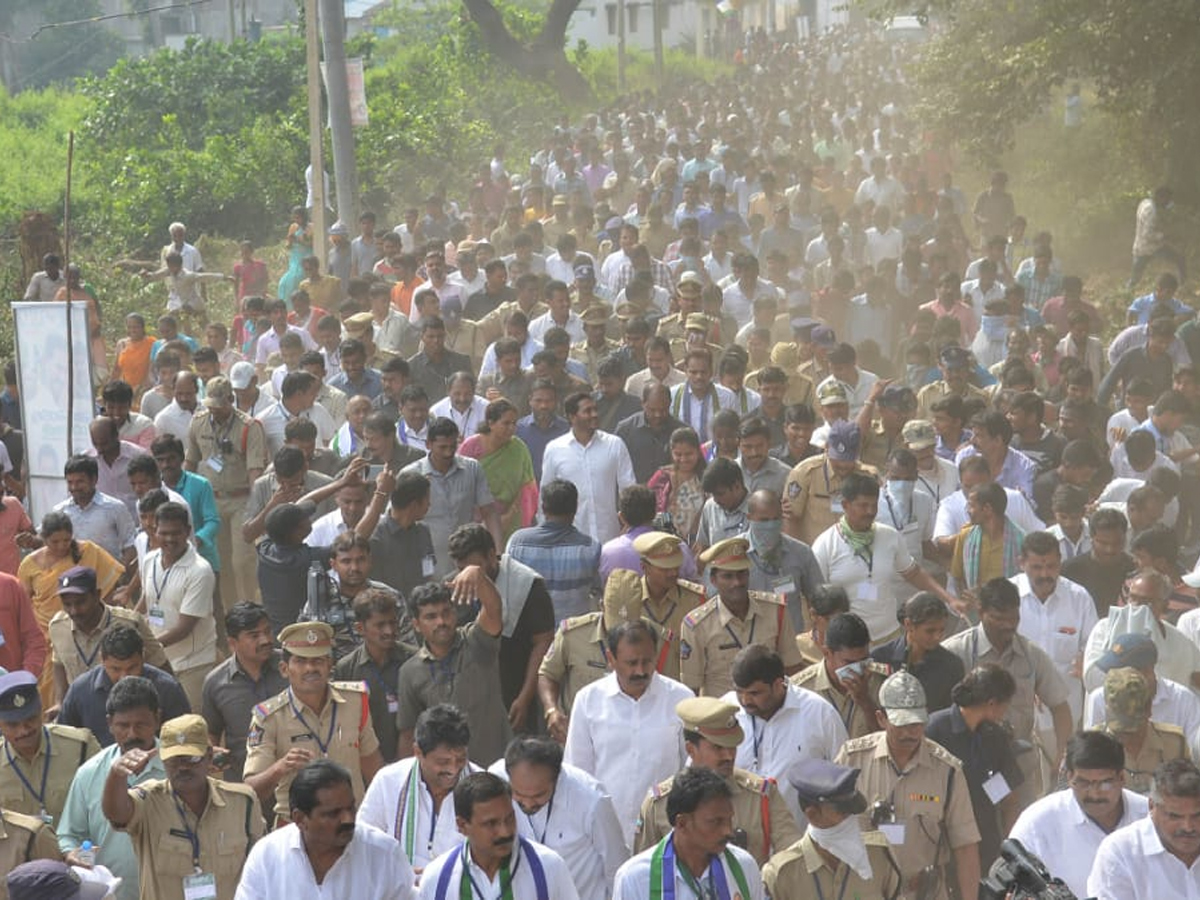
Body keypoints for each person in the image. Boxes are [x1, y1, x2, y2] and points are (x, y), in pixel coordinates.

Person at [835, 670, 981, 900]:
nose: (909, 733)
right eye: (901, 724)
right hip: (864, 892)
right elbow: (830, 829)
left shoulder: (947, 771)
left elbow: (965, 846)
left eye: (916, 724)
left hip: (923, 892)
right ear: (881, 719)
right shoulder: (852, 760)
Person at [102, 713, 264, 900]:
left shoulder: (242, 803)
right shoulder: (149, 801)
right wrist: (117, 775)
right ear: (162, 760)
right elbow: (115, 813)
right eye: (174, 760)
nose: (183, 767)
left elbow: (260, 868)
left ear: (209, 756)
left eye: (191, 759)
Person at [942, 578, 1073, 803]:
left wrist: (1063, 755)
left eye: (1013, 618)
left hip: (1018, 765)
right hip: (969, 766)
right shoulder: (954, 653)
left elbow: (1060, 707)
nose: (1008, 625)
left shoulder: (1032, 656)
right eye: (999, 618)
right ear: (980, 612)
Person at [564, 620, 694, 844]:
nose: (641, 671)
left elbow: (689, 768)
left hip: (665, 834)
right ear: (611, 659)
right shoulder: (588, 700)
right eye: (631, 663)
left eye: (647, 661)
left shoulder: (681, 699)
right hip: (605, 833)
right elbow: (578, 773)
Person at [242, 622, 383, 826]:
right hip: (297, 829)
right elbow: (250, 791)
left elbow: (373, 766)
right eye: (300, 661)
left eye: (318, 660)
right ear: (284, 669)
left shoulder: (355, 701)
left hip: (350, 823)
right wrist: (280, 767)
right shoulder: (268, 717)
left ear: (330, 665)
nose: (310, 668)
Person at [634, 697, 802, 867]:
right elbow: (645, 870)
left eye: (732, 747)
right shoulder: (658, 805)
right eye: (718, 748)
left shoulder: (761, 795)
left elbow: (790, 856)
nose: (728, 756)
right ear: (691, 749)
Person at [235, 759, 415, 900]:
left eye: (350, 808)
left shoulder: (385, 855)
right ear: (300, 819)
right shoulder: (267, 856)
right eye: (333, 813)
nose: (348, 819)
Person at [813, 473, 959, 644]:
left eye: (874, 505)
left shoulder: (890, 536)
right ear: (845, 505)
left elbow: (913, 573)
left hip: (888, 635)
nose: (870, 511)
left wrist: (950, 599)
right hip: (847, 642)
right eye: (863, 505)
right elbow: (817, 598)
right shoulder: (825, 544)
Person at [445, 524, 556, 735]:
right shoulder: (452, 587)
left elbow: (543, 642)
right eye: (461, 569)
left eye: (474, 567)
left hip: (513, 693)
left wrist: (524, 697)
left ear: (490, 555)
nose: (468, 575)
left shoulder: (528, 586)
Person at [1008, 731, 1147, 898]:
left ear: (1122, 778)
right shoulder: (1037, 824)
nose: (1094, 794)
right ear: (1069, 777)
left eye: (1105, 783)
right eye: (1084, 783)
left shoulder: (1149, 817)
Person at [491, 736, 629, 900]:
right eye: (519, 794)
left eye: (538, 795)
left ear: (557, 779)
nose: (528, 803)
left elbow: (617, 868)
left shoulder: (592, 800)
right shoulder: (495, 781)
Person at [724, 645, 847, 825]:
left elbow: (843, 781)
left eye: (754, 693)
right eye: (739, 692)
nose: (745, 701)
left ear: (777, 684)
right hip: (737, 841)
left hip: (799, 840)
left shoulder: (820, 714)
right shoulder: (725, 711)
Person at [395, 577, 509, 767]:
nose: (441, 621)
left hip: (497, 766)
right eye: (431, 617)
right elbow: (408, 734)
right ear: (416, 624)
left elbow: (494, 608)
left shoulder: (476, 642)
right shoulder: (409, 672)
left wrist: (478, 575)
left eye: (446, 613)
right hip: (449, 775)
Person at [416, 771, 579, 900]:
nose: (505, 832)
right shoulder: (436, 878)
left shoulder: (550, 867)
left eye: (509, 818)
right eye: (491, 823)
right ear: (462, 826)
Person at [357, 704, 480, 873]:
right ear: (417, 752)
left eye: (460, 759)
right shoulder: (388, 782)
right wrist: (396, 872)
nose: (453, 769)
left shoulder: (483, 788)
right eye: (443, 762)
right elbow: (361, 843)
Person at [924, 665, 1024, 869]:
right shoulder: (935, 729)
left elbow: (1010, 799)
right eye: (1006, 705)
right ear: (992, 703)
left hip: (984, 840)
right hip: (940, 842)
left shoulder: (995, 736)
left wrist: (1011, 849)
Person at [613, 767, 764, 900]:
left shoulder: (744, 866)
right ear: (682, 823)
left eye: (729, 820)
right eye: (716, 822)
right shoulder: (634, 879)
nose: (728, 831)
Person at [762, 758, 903, 900]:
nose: (850, 820)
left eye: (852, 811)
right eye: (842, 812)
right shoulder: (782, 875)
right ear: (813, 815)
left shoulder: (878, 855)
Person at [185, 374, 269, 607]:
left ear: (231, 400)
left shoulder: (249, 427)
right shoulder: (198, 422)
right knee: (217, 559)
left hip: (241, 500)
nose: (214, 412)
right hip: (210, 499)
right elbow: (190, 463)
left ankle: (249, 605)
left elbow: (255, 472)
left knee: (242, 560)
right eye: (210, 407)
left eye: (219, 407)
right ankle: (226, 608)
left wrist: (257, 510)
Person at [681, 537, 802, 697]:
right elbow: (691, 689)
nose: (737, 582)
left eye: (741, 574)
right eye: (728, 576)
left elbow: (792, 669)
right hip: (724, 715)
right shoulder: (697, 625)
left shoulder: (775, 611)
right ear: (713, 580)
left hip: (770, 712)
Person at [1012, 530, 1098, 725]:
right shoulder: (1008, 596)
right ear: (1021, 563)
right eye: (1036, 567)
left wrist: (1086, 658)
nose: (1044, 574)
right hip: (1017, 711)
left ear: (1060, 562)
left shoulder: (1079, 598)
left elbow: (1093, 646)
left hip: (1065, 714)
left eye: (1051, 566)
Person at [48, 565, 168, 702]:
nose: (74, 611)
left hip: (128, 709)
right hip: (82, 709)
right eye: (67, 604)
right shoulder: (57, 627)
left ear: (97, 595)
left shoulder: (130, 623)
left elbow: (161, 665)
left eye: (80, 603)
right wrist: (59, 702)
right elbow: (59, 665)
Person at [401, 417, 501, 580]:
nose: (448, 452)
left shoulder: (472, 469)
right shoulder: (411, 474)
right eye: (442, 447)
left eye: (452, 446)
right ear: (428, 445)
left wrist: (497, 553)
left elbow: (489, 511)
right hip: (426, 563)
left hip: (467, 562)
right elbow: (399, 519)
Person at [1088, 757, 1200, 899]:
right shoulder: (1121, 852)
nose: (1188, 827)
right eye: (1175, 816)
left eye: (1197, 816)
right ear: (1152, 806)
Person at [59, 625, 189, 747]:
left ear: (143, 657)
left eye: (132, 667)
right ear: (102, 660)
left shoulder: (167, 689)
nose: (124, 677)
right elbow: (64, 741)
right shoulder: (81, 691)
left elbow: (184, 739)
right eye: (115, 669)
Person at [200, 602, 287, 782]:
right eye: (254, 636)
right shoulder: (215, 683)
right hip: (245, 784)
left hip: (292, 778)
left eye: (267, 631)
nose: (265, 640)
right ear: (232, 643)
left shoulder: (290, 668)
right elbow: (211, 733)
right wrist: (211, 753)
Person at [0, 670, 99, 827]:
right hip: (20, 851)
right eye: (13, 725)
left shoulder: (80, 747)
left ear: (41, 712)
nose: (24, 730)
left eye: (30, 719)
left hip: (78, 848)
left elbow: (104, 807)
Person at [540, 392, 636, 546]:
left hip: (610, 540)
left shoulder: (615, 445)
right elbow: (545, 496)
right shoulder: (555, 449)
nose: (594, 414)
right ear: (572, 417)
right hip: (570, 542)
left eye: (595, 409)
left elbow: (629, 490)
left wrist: (630, 527)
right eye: (587, 411)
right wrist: (545, 537)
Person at [332, 590, 415, 764]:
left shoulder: (414, 660)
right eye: (380, 625)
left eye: (393, 623)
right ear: (360, 628)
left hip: (411, 759)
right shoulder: (347, 669)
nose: (389, 631)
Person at [507, 480, 601, 622]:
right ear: (575, 508)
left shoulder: (517, 543)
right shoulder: (590, 549)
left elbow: (508, 589)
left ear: (543, 508)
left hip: (531, 636)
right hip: (575, 635)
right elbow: (598, 590)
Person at [791, 612, 889, 740]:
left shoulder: (881, 681)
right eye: (849, 663)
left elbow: (890, 739)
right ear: (827, 653)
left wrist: (865, 701)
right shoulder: (800, 689)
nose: (857, 669)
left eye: (863, 660)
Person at [457, 398, 538, 542]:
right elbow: (459, 486)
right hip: (476, 521)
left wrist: (508, 516)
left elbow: (526, 487)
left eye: (514, 423)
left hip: (511, 519)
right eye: (506, 423)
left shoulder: (519, 448)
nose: (511, 428)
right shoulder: (471, 447)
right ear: (491, 423)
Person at [871, 592, 965, 714]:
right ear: (908, 624)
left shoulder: (952, 665)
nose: (937, 637)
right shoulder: (880, 658)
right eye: (930, 631)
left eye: (941, 630)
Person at [357, 471, 437, 602]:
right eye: (427, 500)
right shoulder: (375, 536)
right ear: (414, 505)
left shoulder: (423, 532)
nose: (429, 505)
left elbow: (428, 572)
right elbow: (355, 541)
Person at [52, 456, 137, 565]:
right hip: (72, 578)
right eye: (70, 482)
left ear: (94, 479)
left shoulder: (115, 508)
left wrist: (121, 574)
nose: (74, 487)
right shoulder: (60, 511)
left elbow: (130, 544)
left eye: (80, 482)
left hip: (107, 578)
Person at [647, 427, 707, 544]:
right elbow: (649, 510)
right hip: (664, 542)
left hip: (697, 543)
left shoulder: (704, 478)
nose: (683, 459)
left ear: (698, 452)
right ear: (671, 452)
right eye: (678, 454)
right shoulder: (662, 477)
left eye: (689, 454)